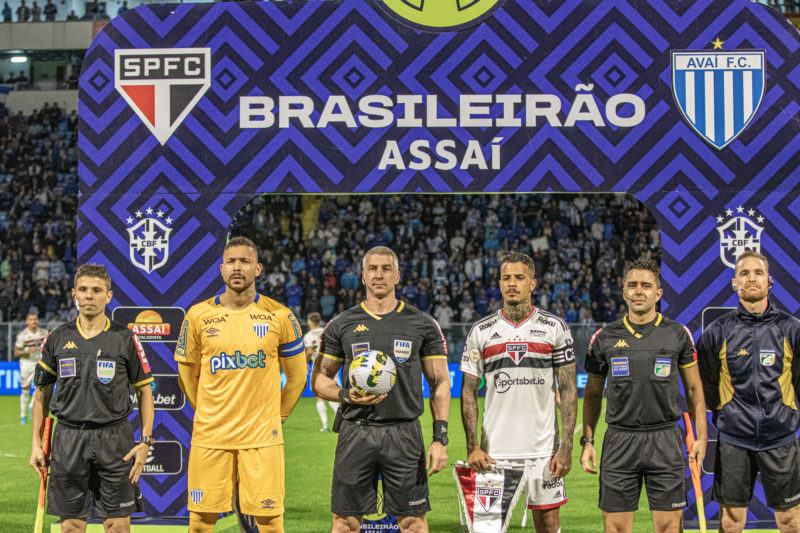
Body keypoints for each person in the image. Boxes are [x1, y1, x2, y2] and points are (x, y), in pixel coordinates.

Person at [311, 245, 451, 533]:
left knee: (413, 522)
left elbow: (440, 382)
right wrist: (344, 395)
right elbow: (319, 380)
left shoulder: (422, 324)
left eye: (386, 269)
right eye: (372, 269)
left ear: (397, 276)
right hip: (355, 431)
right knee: (345, 523)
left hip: (404, 434)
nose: (379, 275)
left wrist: (440, 438)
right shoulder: (341, 324)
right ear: (363, 277)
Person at [175, 236, 307, 533]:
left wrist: (278, 416)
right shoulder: (197, 315)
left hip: (261, 438)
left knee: (271, 524)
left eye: (245, 261)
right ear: (222, 269)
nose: (238, 268)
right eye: (231, 261)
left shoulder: (281, 315)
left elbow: (298, 377)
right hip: (211, 436)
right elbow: (186, 373)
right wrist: (207, 411)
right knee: (199, 524)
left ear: (258, 269)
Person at [580, 258, 707, 533]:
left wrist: (701, 437)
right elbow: (591, 394)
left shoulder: (678, 334)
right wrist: (588, 441)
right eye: (633, 285)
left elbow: (695, 390)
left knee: (669, 529)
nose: (639, 290)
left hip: (665, 441)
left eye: (646, 285)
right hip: (619, 441)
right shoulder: (604, 338)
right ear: (623, 291)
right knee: (616, 529)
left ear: (658, 293)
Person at [29, 264, 155, 532]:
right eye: (83, 290)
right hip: (68, 440)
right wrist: (35, 445)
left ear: (108, 295)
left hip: (115, 441)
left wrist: (145, 441)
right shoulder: (57, 338)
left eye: (97, 290)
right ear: (74, 293)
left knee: (117, 527)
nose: (89, 295)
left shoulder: (125, 338)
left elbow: (145, 391)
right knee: (71, 527)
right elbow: (41, 396)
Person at [461, 251, 577, 533]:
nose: (512, 283)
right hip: (493, 453)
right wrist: (472, 446)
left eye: (519, 278)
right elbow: (468, 392)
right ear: (500, 284)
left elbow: (569, 390)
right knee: (486, 529)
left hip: (543, 452)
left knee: (548, 525)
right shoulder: (482, 331)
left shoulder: (555, 328)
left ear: (532, 284)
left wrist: (566, 447)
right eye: (506, 278)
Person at [697, 251, 800, 533]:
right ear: (734, 283)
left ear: (770, 281)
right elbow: (708, 386)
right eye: (744, 273)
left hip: (780, 438)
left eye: (758, 273)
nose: (751, 278)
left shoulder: (792, 330)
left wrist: (786, 415)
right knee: (731, 523)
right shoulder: (716, 333)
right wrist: (729, 415)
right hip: (734, 441)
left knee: (791, 521)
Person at [304, 311, 338, 432]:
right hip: (331, 364)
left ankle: (325, 425)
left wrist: (305, 362)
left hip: (318, 365)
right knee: (332, 393)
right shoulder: (327, 331)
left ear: (309, 322)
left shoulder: (308, 336)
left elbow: (309, 351)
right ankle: (340, 420)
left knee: (319, 396)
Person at [14, 312, 48, 424]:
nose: (34, 321)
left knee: (40, 387)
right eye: (31, 319)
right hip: (26, 364)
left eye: (35, 319)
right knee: (25, 389)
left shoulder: (44, 333)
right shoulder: (22, 335)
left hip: (39, 363)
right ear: (27, 322)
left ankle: (32, 406)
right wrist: (27, 351)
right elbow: (16, 352)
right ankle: (22, 415)